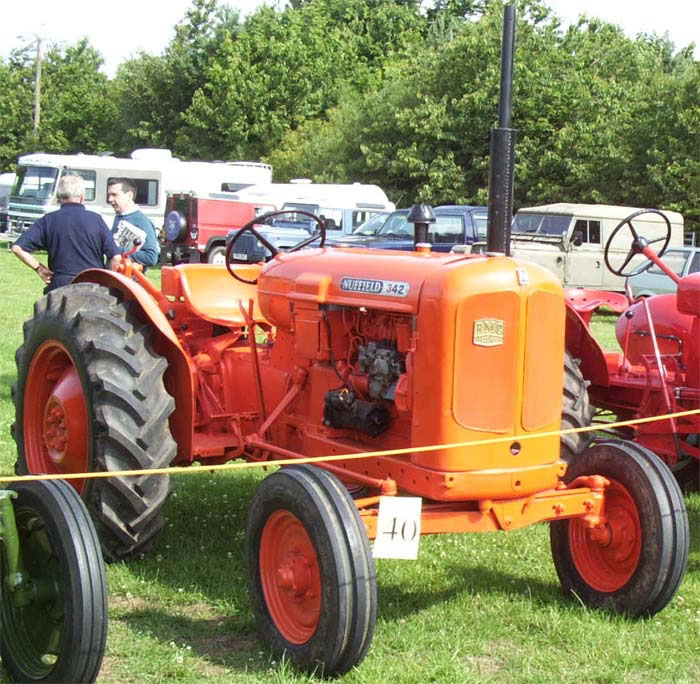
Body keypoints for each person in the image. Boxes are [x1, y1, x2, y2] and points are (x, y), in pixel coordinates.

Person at [12, 175, 121, 292]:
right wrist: (107, 282)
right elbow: (116, 257)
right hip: (92, 287)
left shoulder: (48, 220)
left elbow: (18, 248)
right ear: (82, 197)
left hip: (59, 287)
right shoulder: (96, 220)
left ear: (59, 197)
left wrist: (40, 269)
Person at [106, 178, 159, 267]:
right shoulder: (119, 216)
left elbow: (151, 257)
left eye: (114, 195)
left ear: (129, 196)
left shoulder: (143, 222)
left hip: (130, 279)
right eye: (109, 195)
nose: (110, 199)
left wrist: (118, 250)